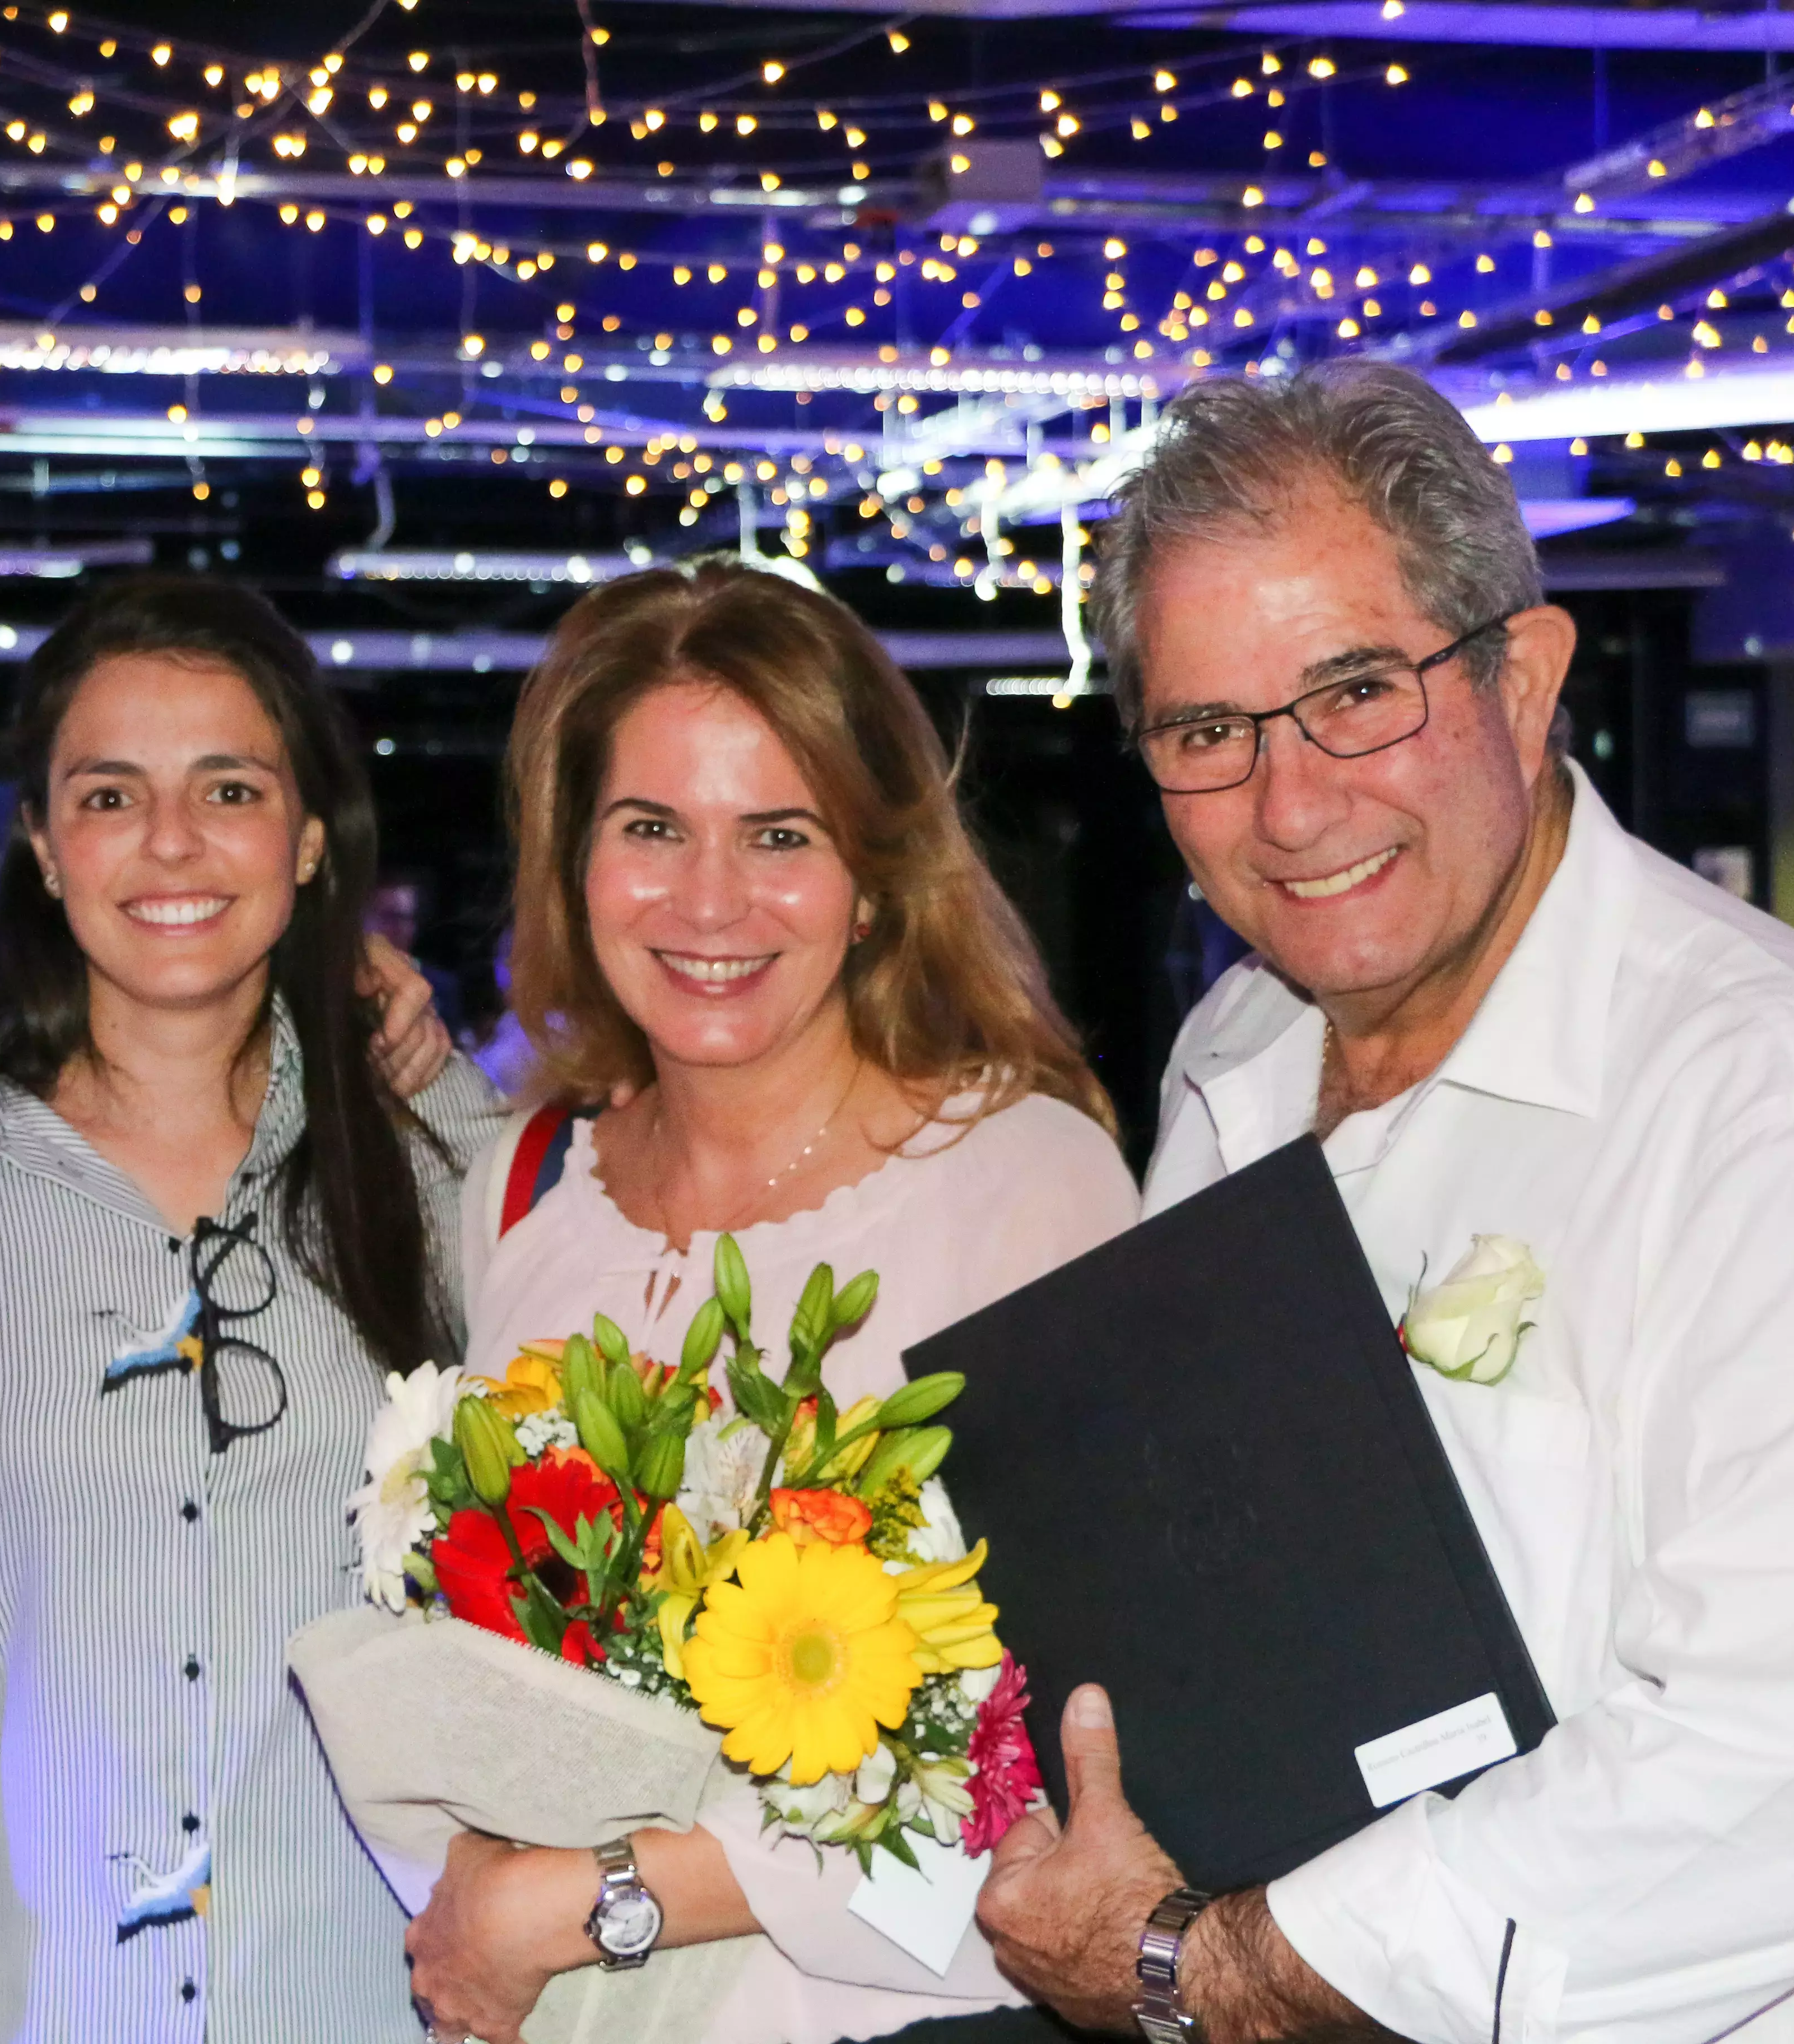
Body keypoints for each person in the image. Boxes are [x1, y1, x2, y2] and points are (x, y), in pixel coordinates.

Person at [974, 361, 1794, 2043]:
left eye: (1358, 692)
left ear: (1528, 679)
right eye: (1209, 731)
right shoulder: (1239, 1050)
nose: (1291, 806)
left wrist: (1216, 1974)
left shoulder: (1779, 1104)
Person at [0, 576, 501, 2043]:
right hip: (11, 2008)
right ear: (39, 841)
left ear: (309, 837)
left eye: (229, 788)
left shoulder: (444, 1168)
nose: (170, 843)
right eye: (109, 794)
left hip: (372, 2009)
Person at [407, 559, 1140, 2044]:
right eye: (652, 828)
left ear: (874, 878)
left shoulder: (1025, 1184)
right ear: (575, 863)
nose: (711, 899)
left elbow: (1057, 1742)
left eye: (780, 833)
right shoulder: (531, 1198)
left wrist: (590, 1899)